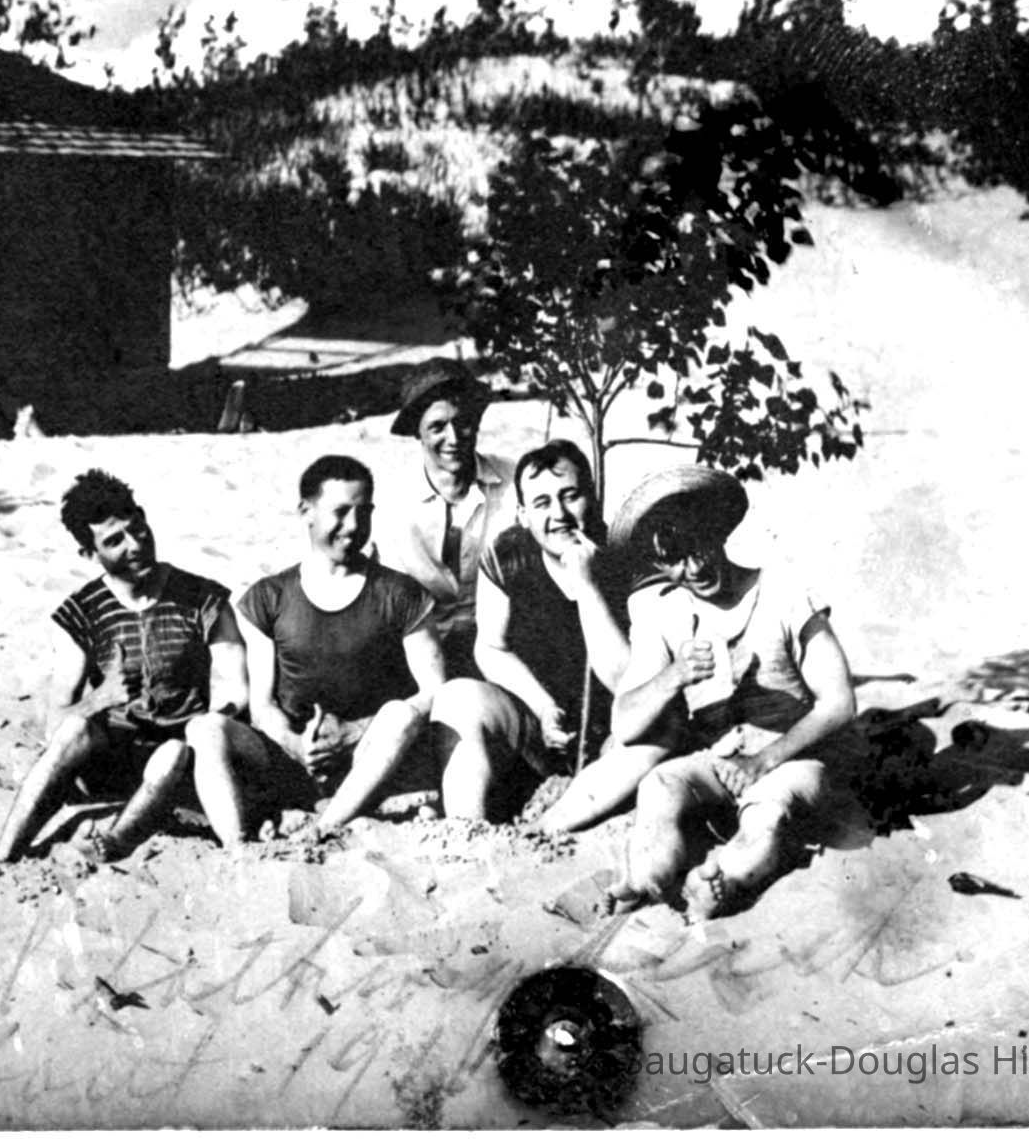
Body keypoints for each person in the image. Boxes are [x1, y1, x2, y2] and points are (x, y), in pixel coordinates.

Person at [597, 466, 860, 919]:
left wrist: (765, 759)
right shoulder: (662, 615)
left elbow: (839, 703)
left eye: (698, 544)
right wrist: (673, 676)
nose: (695, 567)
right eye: (674, 558)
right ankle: (647, 879)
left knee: (768, 812)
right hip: (719, 764)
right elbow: (625, 724)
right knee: (660, 785)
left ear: (717, 529)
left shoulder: (783, 593)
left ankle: (724, 881)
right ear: (657, 565)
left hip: (794, 759)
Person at [0, 470, 245, 865]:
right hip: (112, 763)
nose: (135, 546)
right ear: (89, 554)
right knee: (74, 730)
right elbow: (55, 725)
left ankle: (114, 844)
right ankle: (3, 855)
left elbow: (235, 689)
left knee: (173, 752)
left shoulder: (202, 598)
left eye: (138, 530)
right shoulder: (82, 613)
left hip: (186, 759)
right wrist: (101, 698)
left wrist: (208, 724)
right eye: (114, 541)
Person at [190, 455, 446, 842]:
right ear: (306, 512)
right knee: (206, 729)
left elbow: (434, 690)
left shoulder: (401, 593)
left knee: (400, 714)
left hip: (372, 757)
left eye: (364, 512)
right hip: (292, 758)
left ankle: (324, 827)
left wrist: (354, 732)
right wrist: (295, 745)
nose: (353, 526)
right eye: (340, 512)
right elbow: (262, 704)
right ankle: (237, 848)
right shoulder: (269, 596)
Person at [429, 440, 632, 820]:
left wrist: (587, 586)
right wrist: (542, 707)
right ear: (522, 514)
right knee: (458, 698)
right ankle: (465, 829)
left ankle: (561, 822)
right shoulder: (508, 556)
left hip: (617, 731)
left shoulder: (622, 555)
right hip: (537, 727)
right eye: (541, 503)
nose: (559, 515)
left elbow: (628, 681)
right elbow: (491, 647)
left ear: (592, 497)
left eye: (570, 496)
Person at [369, 360, 515, 677]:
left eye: (463, 423)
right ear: (418, 433)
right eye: (437, 427)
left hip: (502, 643)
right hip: (418, 651)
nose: (453, 437)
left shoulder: (514, 482)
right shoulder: (391, 502)